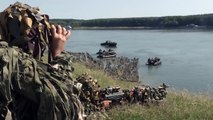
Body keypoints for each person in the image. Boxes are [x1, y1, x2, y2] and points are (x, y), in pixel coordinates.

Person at [0, 2, 84, 120]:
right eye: (36, 34)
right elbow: (61, 100)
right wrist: (58, 54)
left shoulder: (7, 61)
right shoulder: (13, 60)